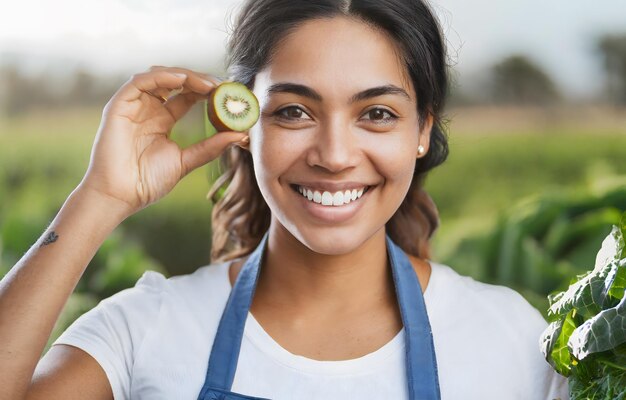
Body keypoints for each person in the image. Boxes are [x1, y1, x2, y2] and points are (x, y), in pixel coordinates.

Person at [0, 0, 570, 399]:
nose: (335, 154)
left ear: (421, 130)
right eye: (294, 111)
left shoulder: (512, 339)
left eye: (376, 113)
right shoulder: (147, 329)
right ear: (244, 124)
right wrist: (100, 195)